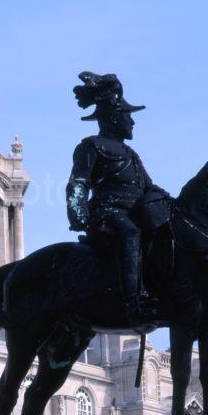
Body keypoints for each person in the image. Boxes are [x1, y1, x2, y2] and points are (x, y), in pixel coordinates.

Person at [66, 71, 168, 322]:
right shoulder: (91, 146)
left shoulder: (131, 154)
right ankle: (133, 301)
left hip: (134, 213)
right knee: (130, 233)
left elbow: (148, 186)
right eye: (127, 116)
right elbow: (78, 183)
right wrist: (80, 215)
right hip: (108, 215)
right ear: (113, 118)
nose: (132, 122)